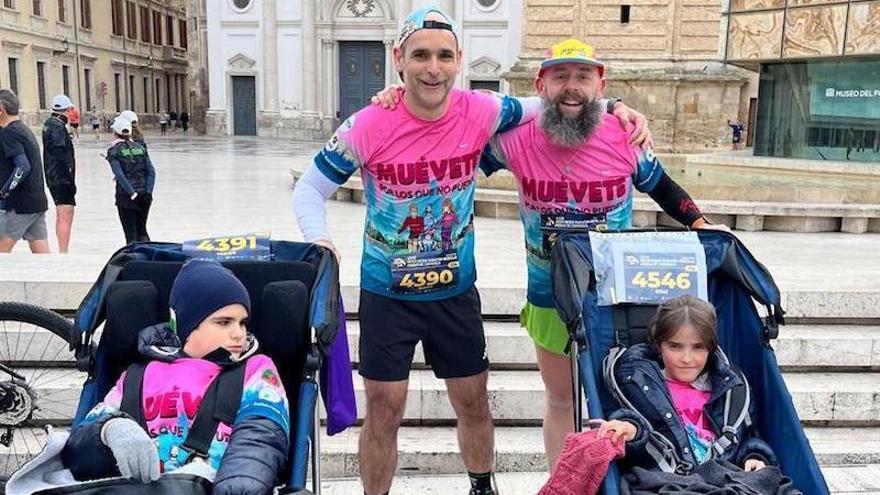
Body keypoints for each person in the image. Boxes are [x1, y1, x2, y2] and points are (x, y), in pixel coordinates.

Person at [292, 8, 648, 495]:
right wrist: (321, 239)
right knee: (383, 407)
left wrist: (618, 106)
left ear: (458, 61)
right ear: (398, 59)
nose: (432, 67)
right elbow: (308, 190)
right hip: (386, 294)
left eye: (443, 56)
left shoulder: (483, 110)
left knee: (473, 401)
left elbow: (560, 101)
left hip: (454, 293)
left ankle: (483, 486)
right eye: (420, 55)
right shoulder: (368, 123)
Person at [478, 38, 716, 470]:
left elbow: (661, 186)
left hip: (617, 299)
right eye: (560, 76)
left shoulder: (625, 135)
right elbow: (457, 161)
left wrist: (700, 223)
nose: (572, 87)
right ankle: (564, 480)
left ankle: (619, 480)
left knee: (622, 397)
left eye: (583, 77)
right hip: (550, 295)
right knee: (560, 398)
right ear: (540, 85)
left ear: (600, 85)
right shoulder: (513, 139)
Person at [62, 259, 291, 494]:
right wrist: (108, 431)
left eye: (243, 323)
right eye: (224, 323)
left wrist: (237, 490)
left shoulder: (255, 370)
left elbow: (259, 436)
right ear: (185, 325)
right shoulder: (136, 377)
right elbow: (77, 449)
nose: (238, 334)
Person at [595, 295, 777, 472]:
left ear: (711, 349)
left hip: (725, 477)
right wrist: (630, 429)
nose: (687, 359)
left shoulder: (733, 388)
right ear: (658, 346)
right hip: (666, 477)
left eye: (698, 347)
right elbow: (635, 425)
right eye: (675, 346)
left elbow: (748, 436)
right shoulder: (637, 384)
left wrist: (754, 456)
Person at [0, 89, 50, 253]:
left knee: (2, 249)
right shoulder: (23, 129)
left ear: (1, 110)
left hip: (19, 205)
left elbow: (22, 166)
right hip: (36, 201)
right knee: (41, 251)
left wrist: (4, 192)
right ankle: (51, 277)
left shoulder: (9, 133)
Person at [107, 116, 155, 244]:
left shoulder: (113, 150)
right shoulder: (140, 147)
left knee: (131, 235)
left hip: (126, 197)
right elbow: (151, 172)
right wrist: (148, 192)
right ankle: (149, 258)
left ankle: (135, 260)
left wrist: (132, 193)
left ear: (115, 133)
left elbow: (120, 175)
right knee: (142, 230)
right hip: (144, 195)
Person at [42, 94, 76, 253]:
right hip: (61, 178)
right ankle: (64, 250)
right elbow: (61, 156)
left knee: (62, 212)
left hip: (54, 176)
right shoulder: (57, 127)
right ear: (67, 110)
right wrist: (69, 179)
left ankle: (63, 249)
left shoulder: (50, 124)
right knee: (65, 213)